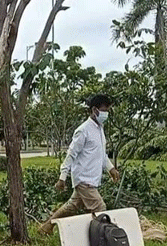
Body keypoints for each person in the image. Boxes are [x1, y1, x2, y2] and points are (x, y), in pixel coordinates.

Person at [39, 93, 121, 236]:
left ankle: (46, 227)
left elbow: (102, 154)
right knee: (100, 208)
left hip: (91, 179)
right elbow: (71, 154)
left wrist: (111, 168)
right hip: (84, 179)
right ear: (94, 110)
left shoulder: (100, 129)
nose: (106, 114)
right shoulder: (83, 130)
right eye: (104, 110)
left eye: (108, 110)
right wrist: (62, 177)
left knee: (71, 207)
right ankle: (100, 237)